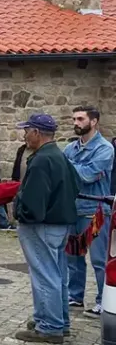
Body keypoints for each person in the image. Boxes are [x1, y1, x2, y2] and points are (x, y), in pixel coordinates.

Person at [13, 114, 79, 343]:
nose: (24, 135)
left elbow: (34, 198)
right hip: (60, 223)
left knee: (44, 274)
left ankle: (50, 326)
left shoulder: (42, 159)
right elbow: (75, 184)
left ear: (37, 133)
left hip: (42, 224)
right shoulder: (58, 156)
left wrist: (22, 213)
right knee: (57, 273)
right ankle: (57, 320)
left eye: (27, 130)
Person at [64, 106, 114, 317]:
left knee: (99, 261)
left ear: (93, 122)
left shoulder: (105, 149)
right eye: (74, 118)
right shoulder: (70, 149)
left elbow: (87, 175)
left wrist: (68, 167)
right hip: (73, 210)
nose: (76, 122)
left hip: (95, 212)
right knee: (73, 256)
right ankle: (76, 296)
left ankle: (104, 301)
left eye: (80, 119)